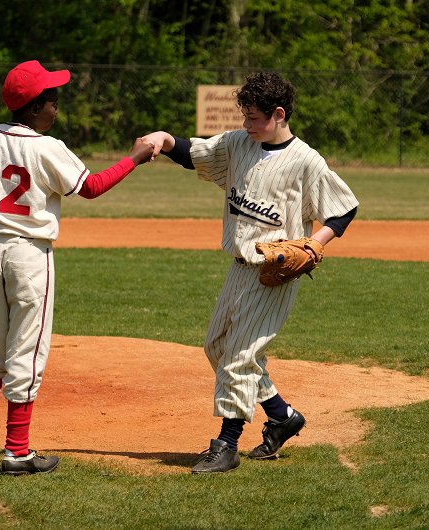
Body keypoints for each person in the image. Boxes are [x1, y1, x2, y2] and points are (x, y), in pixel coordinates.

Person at [0, 60, 154, 475]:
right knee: (27, 351)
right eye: (51, 100)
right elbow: (90, 188)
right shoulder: (47, 147)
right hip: (29, 257)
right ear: (34, 108)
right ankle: (17, 451)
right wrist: (135, 157)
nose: (56, 107)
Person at [143, 72, 358, 474]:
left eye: (255, 118)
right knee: (217, 348)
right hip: (238, 268)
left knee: (239, 356)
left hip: (274, 273)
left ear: (279, 115)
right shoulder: (239, 144)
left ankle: (226, 445)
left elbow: (343, 208)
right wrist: (166, 139)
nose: (247, 125)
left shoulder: (306, 161)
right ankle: (282, 416)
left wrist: (315, 243)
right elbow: (196, 154)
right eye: (244, 116)